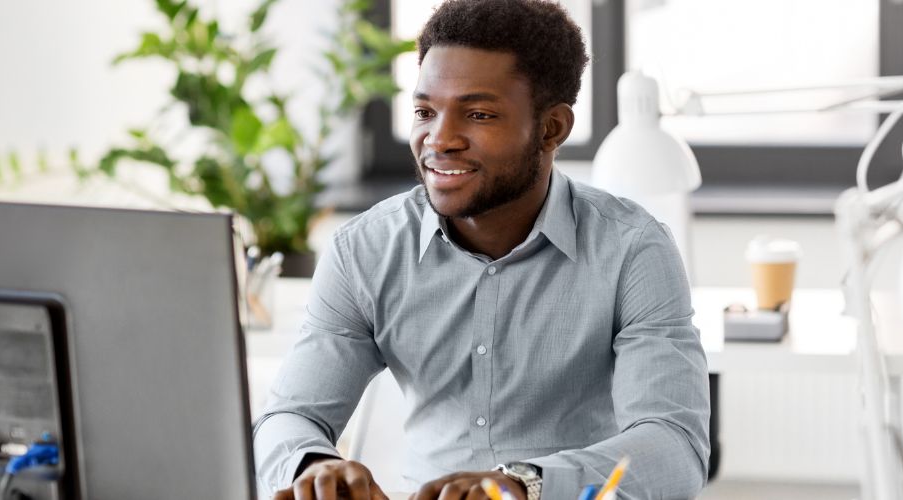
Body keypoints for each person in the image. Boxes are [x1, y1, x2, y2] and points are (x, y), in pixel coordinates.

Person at [253, 0, 710, 498]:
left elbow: (674, 447)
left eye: (478, 114)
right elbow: (289, 416)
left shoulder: (633, 250)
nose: (439, 139)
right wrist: (313, 465)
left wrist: (523, 485)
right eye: (425, 111)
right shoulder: (365, 249)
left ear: (552, 128)